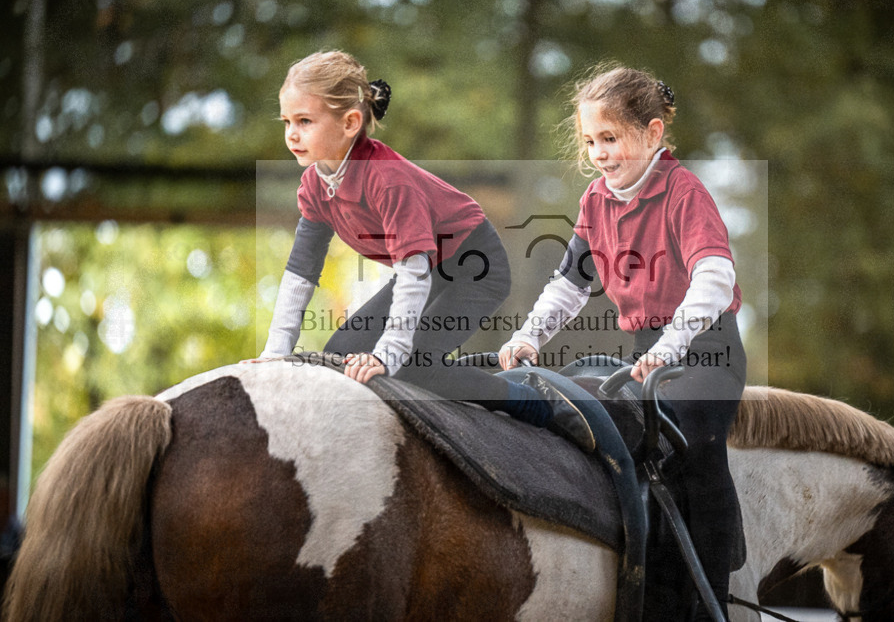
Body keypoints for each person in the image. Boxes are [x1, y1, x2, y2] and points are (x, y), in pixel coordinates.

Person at [247, 50, 594, 452]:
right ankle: (457, 373)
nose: (291, 133)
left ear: (350, 122)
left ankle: (539, 403)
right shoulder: (314, 186)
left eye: (304, 121)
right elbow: (300, 272)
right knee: (340, 354)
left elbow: (412, 272)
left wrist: (389, 352)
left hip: (474, 266)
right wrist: (276, 353)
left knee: (410, 365)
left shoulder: (387, 180)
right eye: (287, 122)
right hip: (430, 268)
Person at [499, 64, 746, 619]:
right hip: (646, 351)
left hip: (706, 349)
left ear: (653, 133)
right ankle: (636, 585)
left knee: (688, 449)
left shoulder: (684, 191)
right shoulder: (595, 201)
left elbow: (715, 277)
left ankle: (709, 601)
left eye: (610, 139)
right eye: (590, 141)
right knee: (605, 434)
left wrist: (671, 345)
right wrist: (527, 338)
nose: (599, 153)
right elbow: (568, 285)